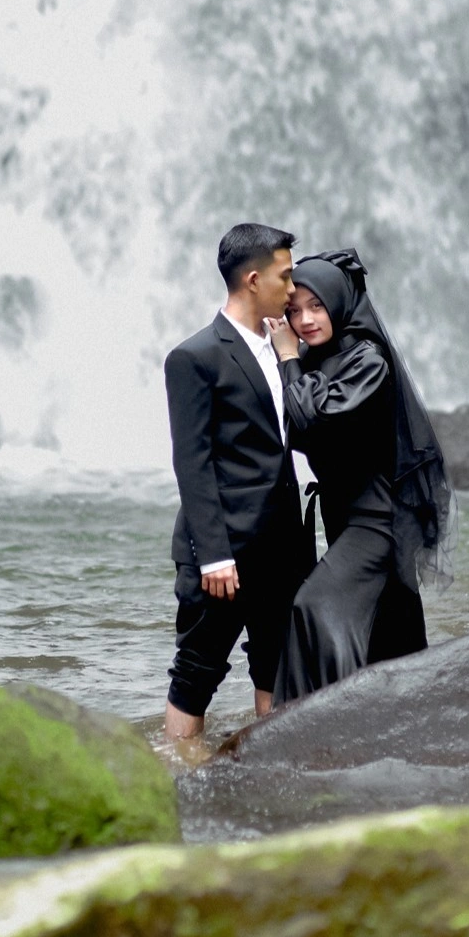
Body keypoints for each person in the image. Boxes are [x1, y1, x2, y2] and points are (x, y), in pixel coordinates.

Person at [267, 248, 456, 703]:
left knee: (315, 606)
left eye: (316, 306)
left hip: (376, 518)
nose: (306, 320)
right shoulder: (318, 358)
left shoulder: (367, 360)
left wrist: (287, 357)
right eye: (294, 311)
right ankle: (398, 715)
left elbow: (310, 416)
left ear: (338, 302)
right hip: (343, 513)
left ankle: (317, 719)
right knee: (389, 630)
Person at [163, 222, 306, 740]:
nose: (293, 289)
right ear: (253, 280)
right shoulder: (194, 356)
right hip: (223, 554)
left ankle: (269, 769)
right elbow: (192, 462)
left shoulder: (286, 347)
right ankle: (179, 772)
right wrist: (214, 556)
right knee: (196, 673)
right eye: (285, 277)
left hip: (283, 547)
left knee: (276, 667)